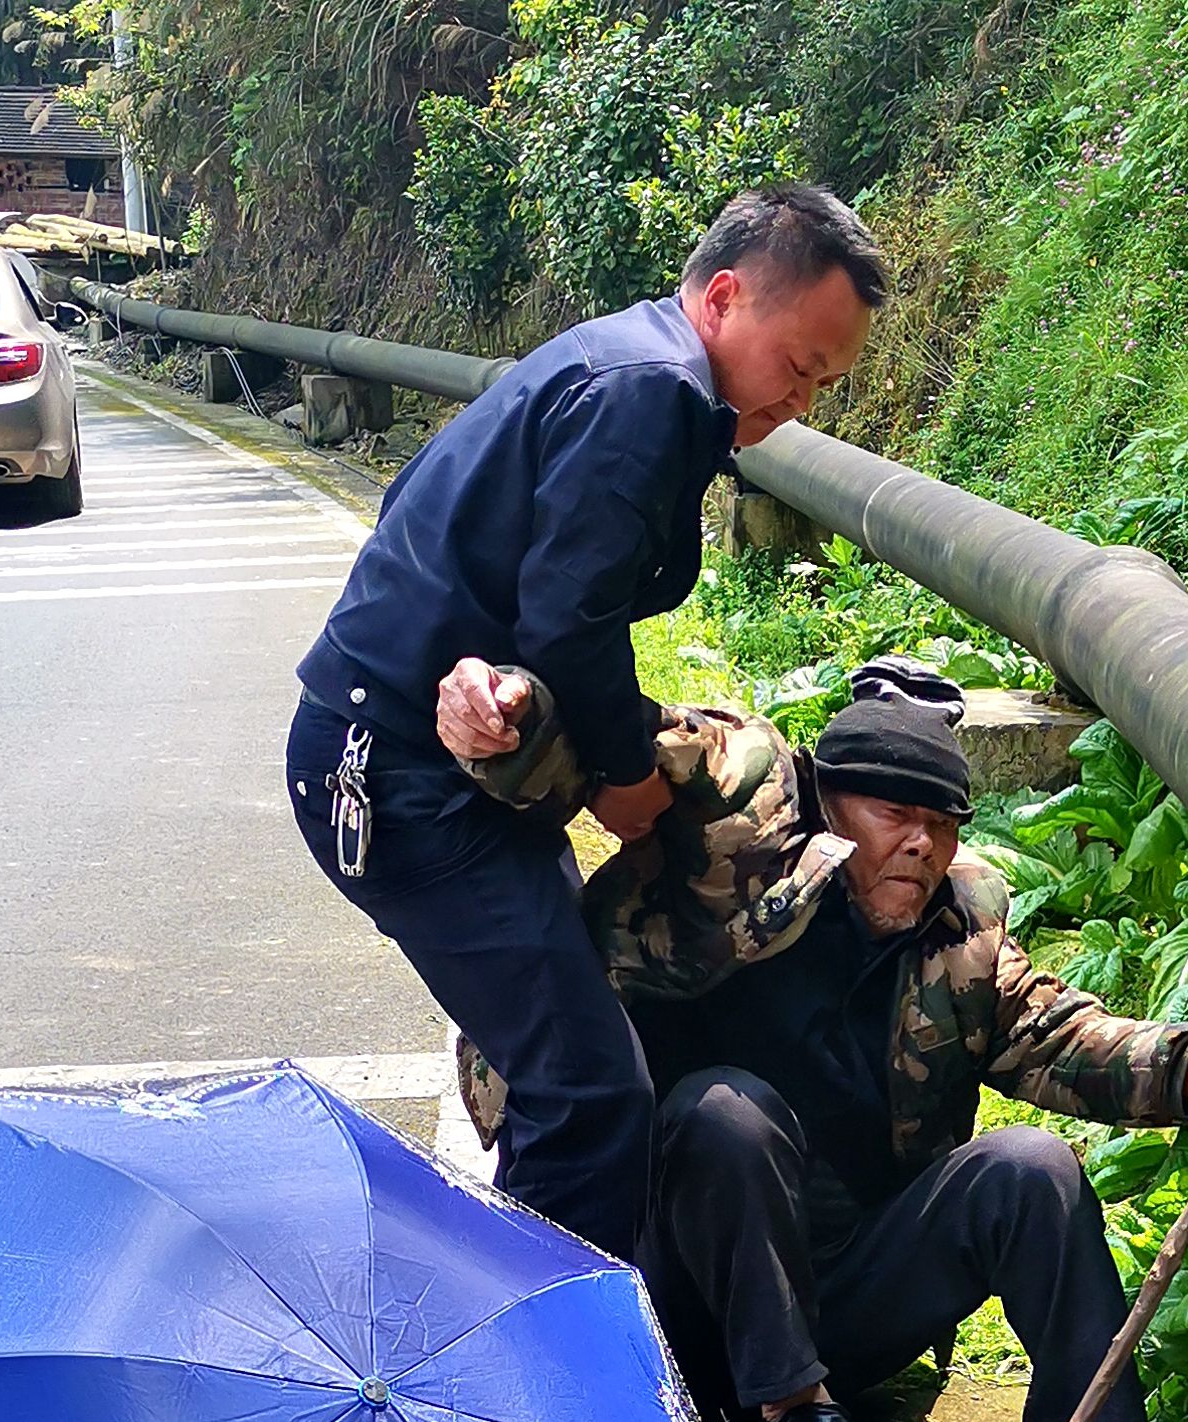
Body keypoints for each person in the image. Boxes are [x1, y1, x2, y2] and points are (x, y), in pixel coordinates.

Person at [440, 666, 1188, 1422]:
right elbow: (634, 746)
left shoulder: (960, 932)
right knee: (726, 1111)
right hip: (679, 1305)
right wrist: (517, 719)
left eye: (943, 825)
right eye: (895, 815)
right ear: (829, 803)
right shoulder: (729, 853)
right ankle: (793, 1414)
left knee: (1034, 1167)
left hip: (847, 1295)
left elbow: (1060, 1036)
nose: (922, 845)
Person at [287, 184, 886, 1259]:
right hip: (394, 776)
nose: (802, 403)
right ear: (724, 296)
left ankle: (582, 1340)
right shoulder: (652, 390)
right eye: (800, 367)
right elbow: (571, 621)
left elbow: (430, 505)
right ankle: (555, 1396)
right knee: (588, 1091)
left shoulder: (624, 360)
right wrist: (622, 777)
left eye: (825, 385)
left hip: (441, 762)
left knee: (578, 1050)